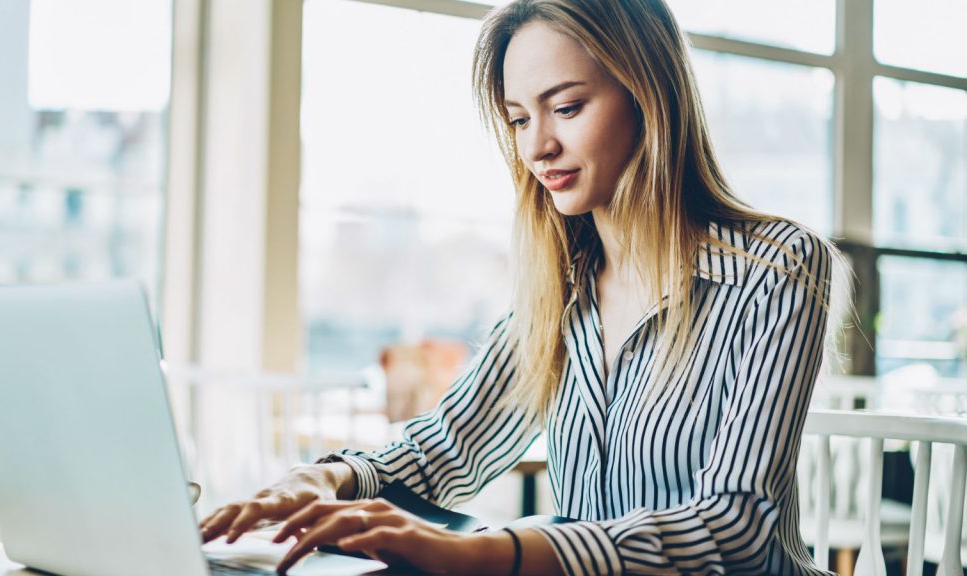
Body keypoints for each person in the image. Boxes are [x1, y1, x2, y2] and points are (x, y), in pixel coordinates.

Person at [200, 1, 845, 574]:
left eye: (566, 107)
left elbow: (735, 530)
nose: (537, 146)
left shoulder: (777, 268)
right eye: (516, 119)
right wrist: (326, 478)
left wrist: (489, 552)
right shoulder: (558, 290)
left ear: (650, 95)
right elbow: (449, 447)